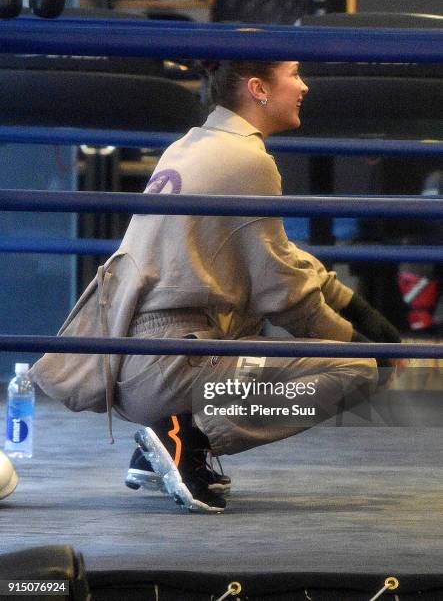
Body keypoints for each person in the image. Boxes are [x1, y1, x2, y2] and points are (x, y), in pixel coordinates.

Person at [30, 60, 401, 513]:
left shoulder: (197, 143)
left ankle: (161, 444)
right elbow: (282, 293)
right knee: (354, 372)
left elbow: (280, 255)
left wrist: (360, 312)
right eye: (294, 74)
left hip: (143, 358)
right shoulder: (248, 161)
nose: (304, 86)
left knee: (280, 326)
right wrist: (359, 346)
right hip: (173, 361)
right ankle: (189, 437)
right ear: (258, 88)